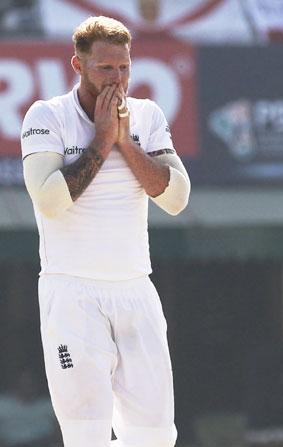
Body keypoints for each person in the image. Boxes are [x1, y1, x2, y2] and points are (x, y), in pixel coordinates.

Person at [20, 15, 190, 447]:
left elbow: (175, 199)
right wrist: (100, 140)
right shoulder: (47, 115)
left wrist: (125, 143)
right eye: (105, 69)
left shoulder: (147, 115)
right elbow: (51, 201)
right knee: (86, 435)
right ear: (78, 66)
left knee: (154, 436)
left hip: (135, 288)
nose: (118, 79)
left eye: (124, 68)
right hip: (72, 294)